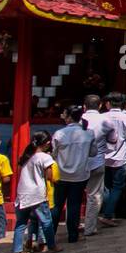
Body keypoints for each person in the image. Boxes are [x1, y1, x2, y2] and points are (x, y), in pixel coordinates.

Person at [52, 105, 97, 244]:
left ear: (70, 117)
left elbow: (53, 154)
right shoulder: (88, 133)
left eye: (65, 114)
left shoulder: (59, 134)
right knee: (74, 205)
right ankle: (72, 235)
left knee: (57, 205)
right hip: (79, 174)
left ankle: (49, 235)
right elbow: (93, 153)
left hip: (61, 174)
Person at [11, 132, 60, 253]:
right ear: (47, 143)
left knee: (21, 223)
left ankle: (17, 251)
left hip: (22, 193)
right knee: (46, 221)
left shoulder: (27, 156)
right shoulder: (45, 157)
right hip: (37, 194)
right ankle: (51, 245)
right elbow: (49, 176)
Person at [99, 92, 126, 226]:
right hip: (120, 156)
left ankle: (107, 211)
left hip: (104, 156)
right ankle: (108, 213)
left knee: (106, 186)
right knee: (117, 186)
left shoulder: (102, 117)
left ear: (108, 103)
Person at [81, 95, 109, 235]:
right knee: (94, 196)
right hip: (97, 161)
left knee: (74, 197)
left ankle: (73, 226)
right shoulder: (105, 120)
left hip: (78, 163)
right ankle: (89, 228)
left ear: (84, 106)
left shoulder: (78, 119)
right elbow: (113, 138)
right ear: (100, 106)